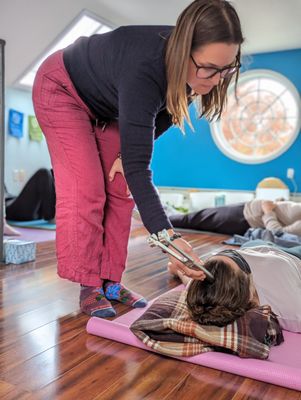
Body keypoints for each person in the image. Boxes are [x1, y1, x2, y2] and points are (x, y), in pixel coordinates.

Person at [32, 0, 244, 318]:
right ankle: (89, 286)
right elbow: (138, 167)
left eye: (226, 68)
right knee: (87, 189)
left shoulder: (194, 73)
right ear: (184, 49)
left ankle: (110, 281)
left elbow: (163, 113)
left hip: (107, 104)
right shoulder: (146, 67)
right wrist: (168, 236)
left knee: (120, 188)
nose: (216, 79)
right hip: (62, 89)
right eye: (209, 68)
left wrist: (125, 152)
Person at [168, 245, 301, 333]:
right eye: (239, 261)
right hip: (292, 257)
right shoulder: (293, 310)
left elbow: (187, 278)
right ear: (250, 294)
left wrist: (179, 270)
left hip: (254, 247)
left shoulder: (205, 289)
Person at [169, 199, 301, 236]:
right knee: (195, 217)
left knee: (192, 219)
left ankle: (155, 220)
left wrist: (268, 211)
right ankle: (159, 218)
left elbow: (277, 233)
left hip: (244, 219)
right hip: (246, 209)